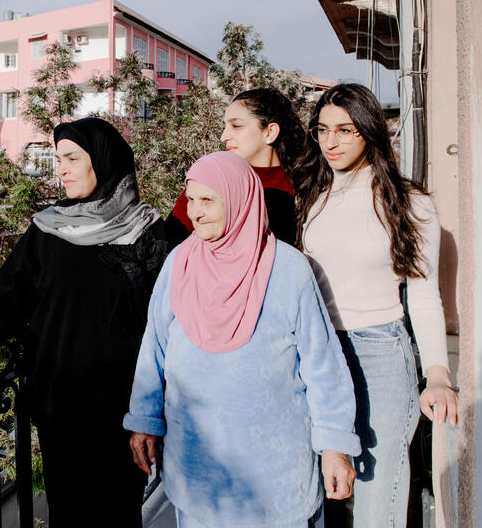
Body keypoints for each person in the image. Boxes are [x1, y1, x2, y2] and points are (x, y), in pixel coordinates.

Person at [0, 117, 168, 527]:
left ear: (103, 160)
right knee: (68, 514)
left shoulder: (149, 234)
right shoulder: (47, 230)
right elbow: (9, 299)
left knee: (119, 514)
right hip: (62, 407)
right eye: (57, 158)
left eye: (72, 158)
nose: (61, 169)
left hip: (125, 410)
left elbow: (170, 324)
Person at [124, 151, 361, 527]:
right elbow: (154, 348)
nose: (195, 212)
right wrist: (144, 421)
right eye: (191, 199)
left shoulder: (287, 269)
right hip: (197, 471)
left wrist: (334, 446)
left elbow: (322, 364)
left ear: (239, 199)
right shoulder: (179, 263)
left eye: (207, 200)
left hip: (274, 476)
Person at [294, 83, 459, 527]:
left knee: (378, 498)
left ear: (369, 131)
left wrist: (437, 376)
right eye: (322, 130)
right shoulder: (312, 195)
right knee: (313, 492)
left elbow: (423, 294)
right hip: (317, 353)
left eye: (344, 130)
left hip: (379, 355)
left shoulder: (410, 202)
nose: (330, 142)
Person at [165, 88, 305, 246]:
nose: (223, 137)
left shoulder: (306, 185)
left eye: (236, 126)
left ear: (270, 132)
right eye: (225, 127)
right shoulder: (212, 179)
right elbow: (168, 242)